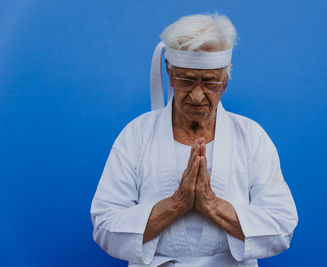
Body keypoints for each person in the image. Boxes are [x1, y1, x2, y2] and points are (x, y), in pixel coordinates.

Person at [90, 13, 298, 267]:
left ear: (226, 79)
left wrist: (212, 204)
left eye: (210, 83)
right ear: (169, 72)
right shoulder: (136, 136)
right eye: (186, 80)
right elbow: (104, 225)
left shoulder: (251, 137)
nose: (198, 95)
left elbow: (281, 226)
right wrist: (177, 203)